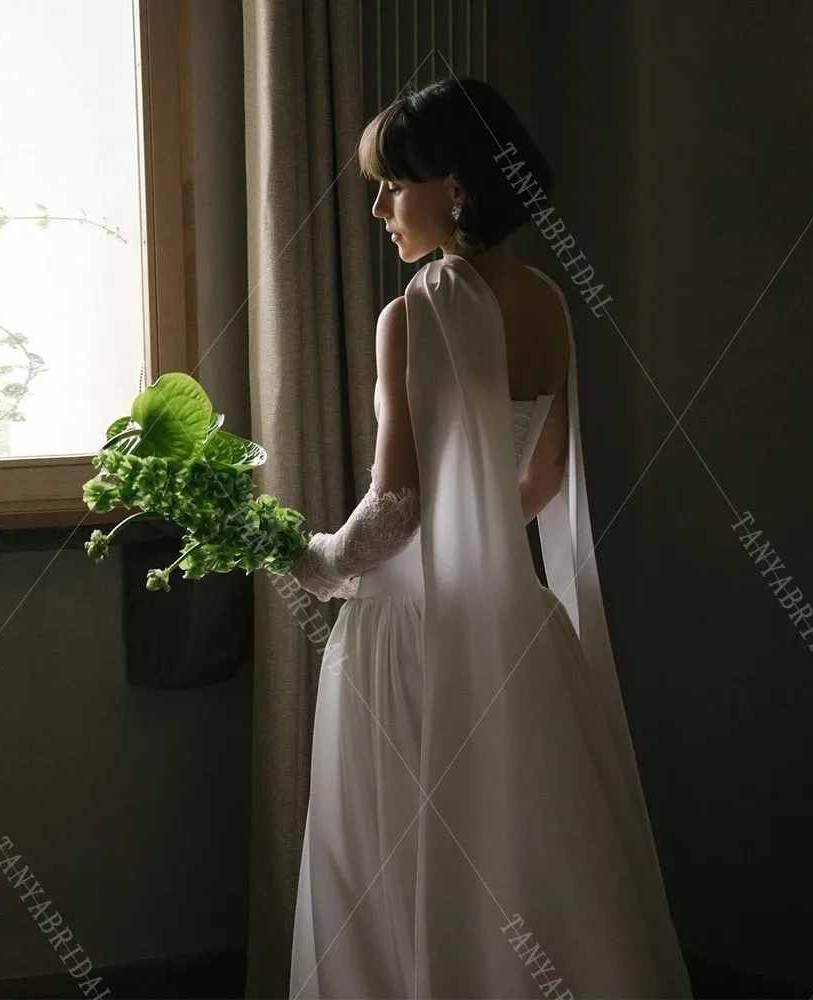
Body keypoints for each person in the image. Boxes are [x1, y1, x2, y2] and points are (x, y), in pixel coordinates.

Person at [287, 77, 691, 999]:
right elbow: (539, 481)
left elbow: (396, 505)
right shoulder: (547, 300)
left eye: (394, 182)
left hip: (413, 638)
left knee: (394, 853)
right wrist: (471, 551)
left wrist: (310, 561)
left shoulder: (415, 311)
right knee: (526, 854)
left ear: (457, 187)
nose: (381, 206)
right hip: (514, 623)